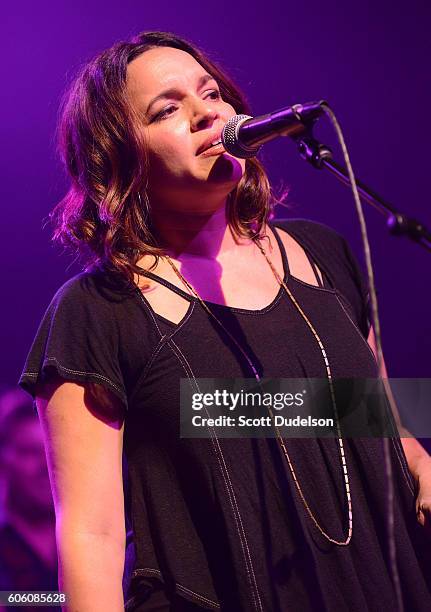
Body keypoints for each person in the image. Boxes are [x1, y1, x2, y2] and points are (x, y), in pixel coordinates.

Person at [19, 31, 431, 611]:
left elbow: (380, 420)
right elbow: (92, 537)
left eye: (211, 93)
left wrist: (420, 463)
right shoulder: (97, 311)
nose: (206, 113)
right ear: (119, 153)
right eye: (168, 108)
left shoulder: (324, 256)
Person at [0, 388, 60, 612]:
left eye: (51, 452)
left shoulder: (85, 540)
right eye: (30, 452)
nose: (45, 466)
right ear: (3, 460)